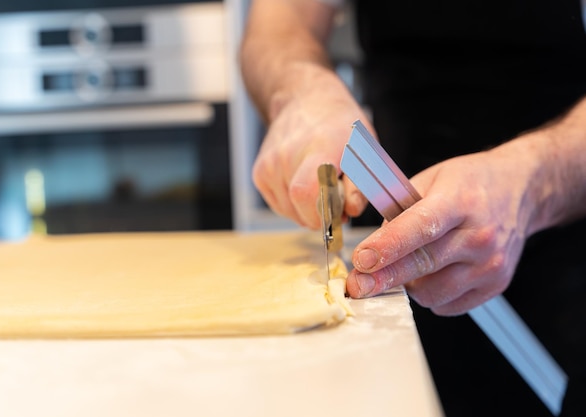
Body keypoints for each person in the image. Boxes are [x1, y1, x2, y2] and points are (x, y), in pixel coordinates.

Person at [239, 0, 586, 416]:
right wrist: (300, 87)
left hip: (566, 262)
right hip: (395, 241)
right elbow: (279, 25)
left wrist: (534, 183)